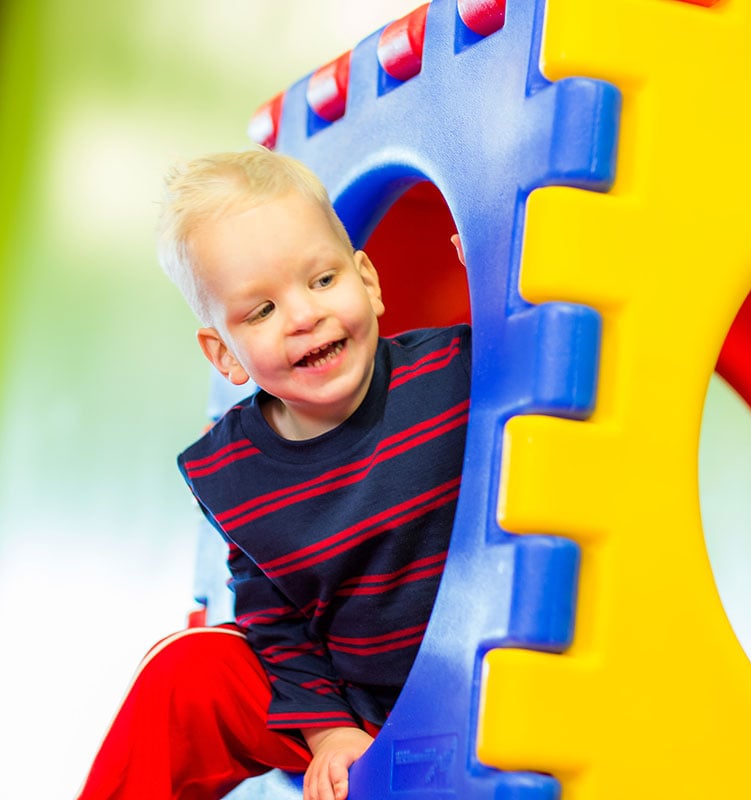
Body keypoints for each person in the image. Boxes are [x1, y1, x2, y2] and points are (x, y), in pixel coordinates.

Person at [79, 149, 471, 800]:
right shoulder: (235, 471)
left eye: (322, 281)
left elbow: (552, 377)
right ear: (224, 356)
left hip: (488, 665)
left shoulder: (454, 369)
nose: (302, 315)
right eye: (260, 311)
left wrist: (519, 283)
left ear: (367, 282)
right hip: (350, 698)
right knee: (189, 670)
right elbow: (277, 622)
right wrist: (328, 731)